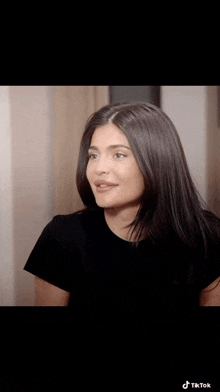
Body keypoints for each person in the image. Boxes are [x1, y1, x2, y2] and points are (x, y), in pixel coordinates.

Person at [24, 101, 220, 310]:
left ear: (157, 161)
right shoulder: (62, 237)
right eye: (93, 155)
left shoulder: (206, 235)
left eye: (118, 154)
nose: (99, 168)